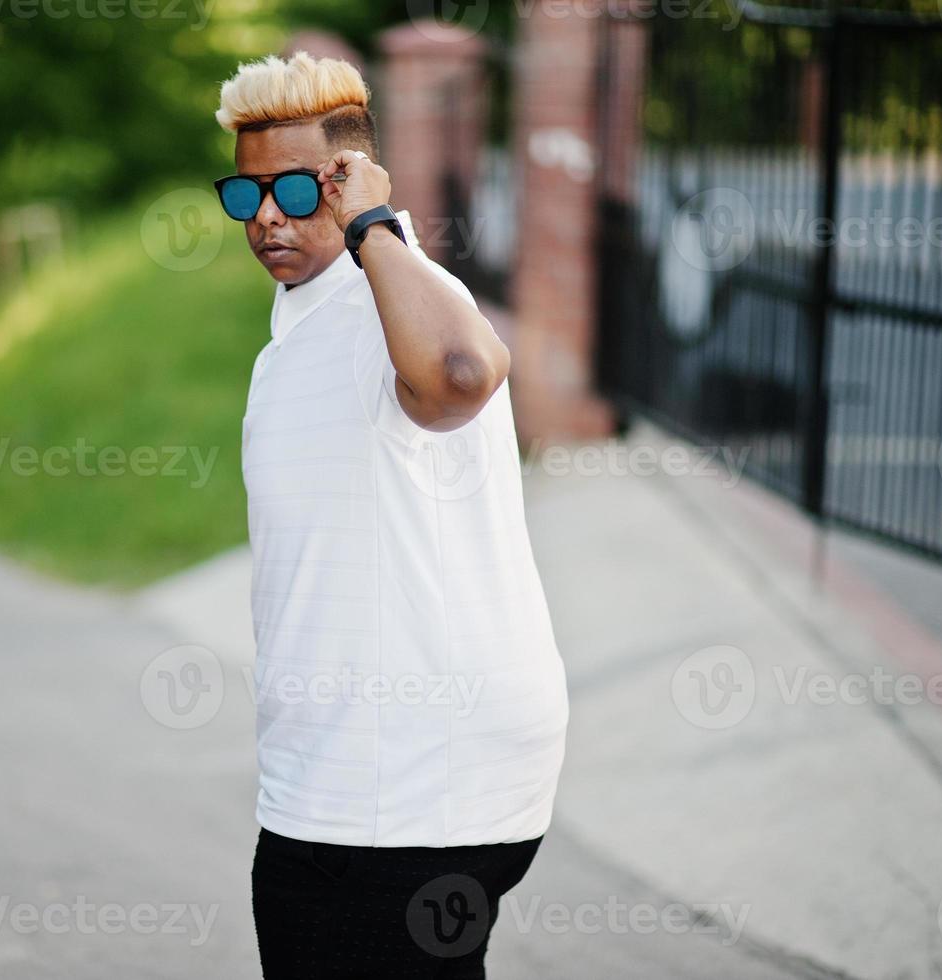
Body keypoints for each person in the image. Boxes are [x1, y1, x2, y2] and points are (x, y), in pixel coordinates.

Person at [211, 52, 571, 978]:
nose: (265, 218)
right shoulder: (301, 326)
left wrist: (372, 223)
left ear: (350, 179)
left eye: (295, 189)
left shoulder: (402, 297)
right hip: (360, 779)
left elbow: (460, 376)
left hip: (398, 789)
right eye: (244, 194)